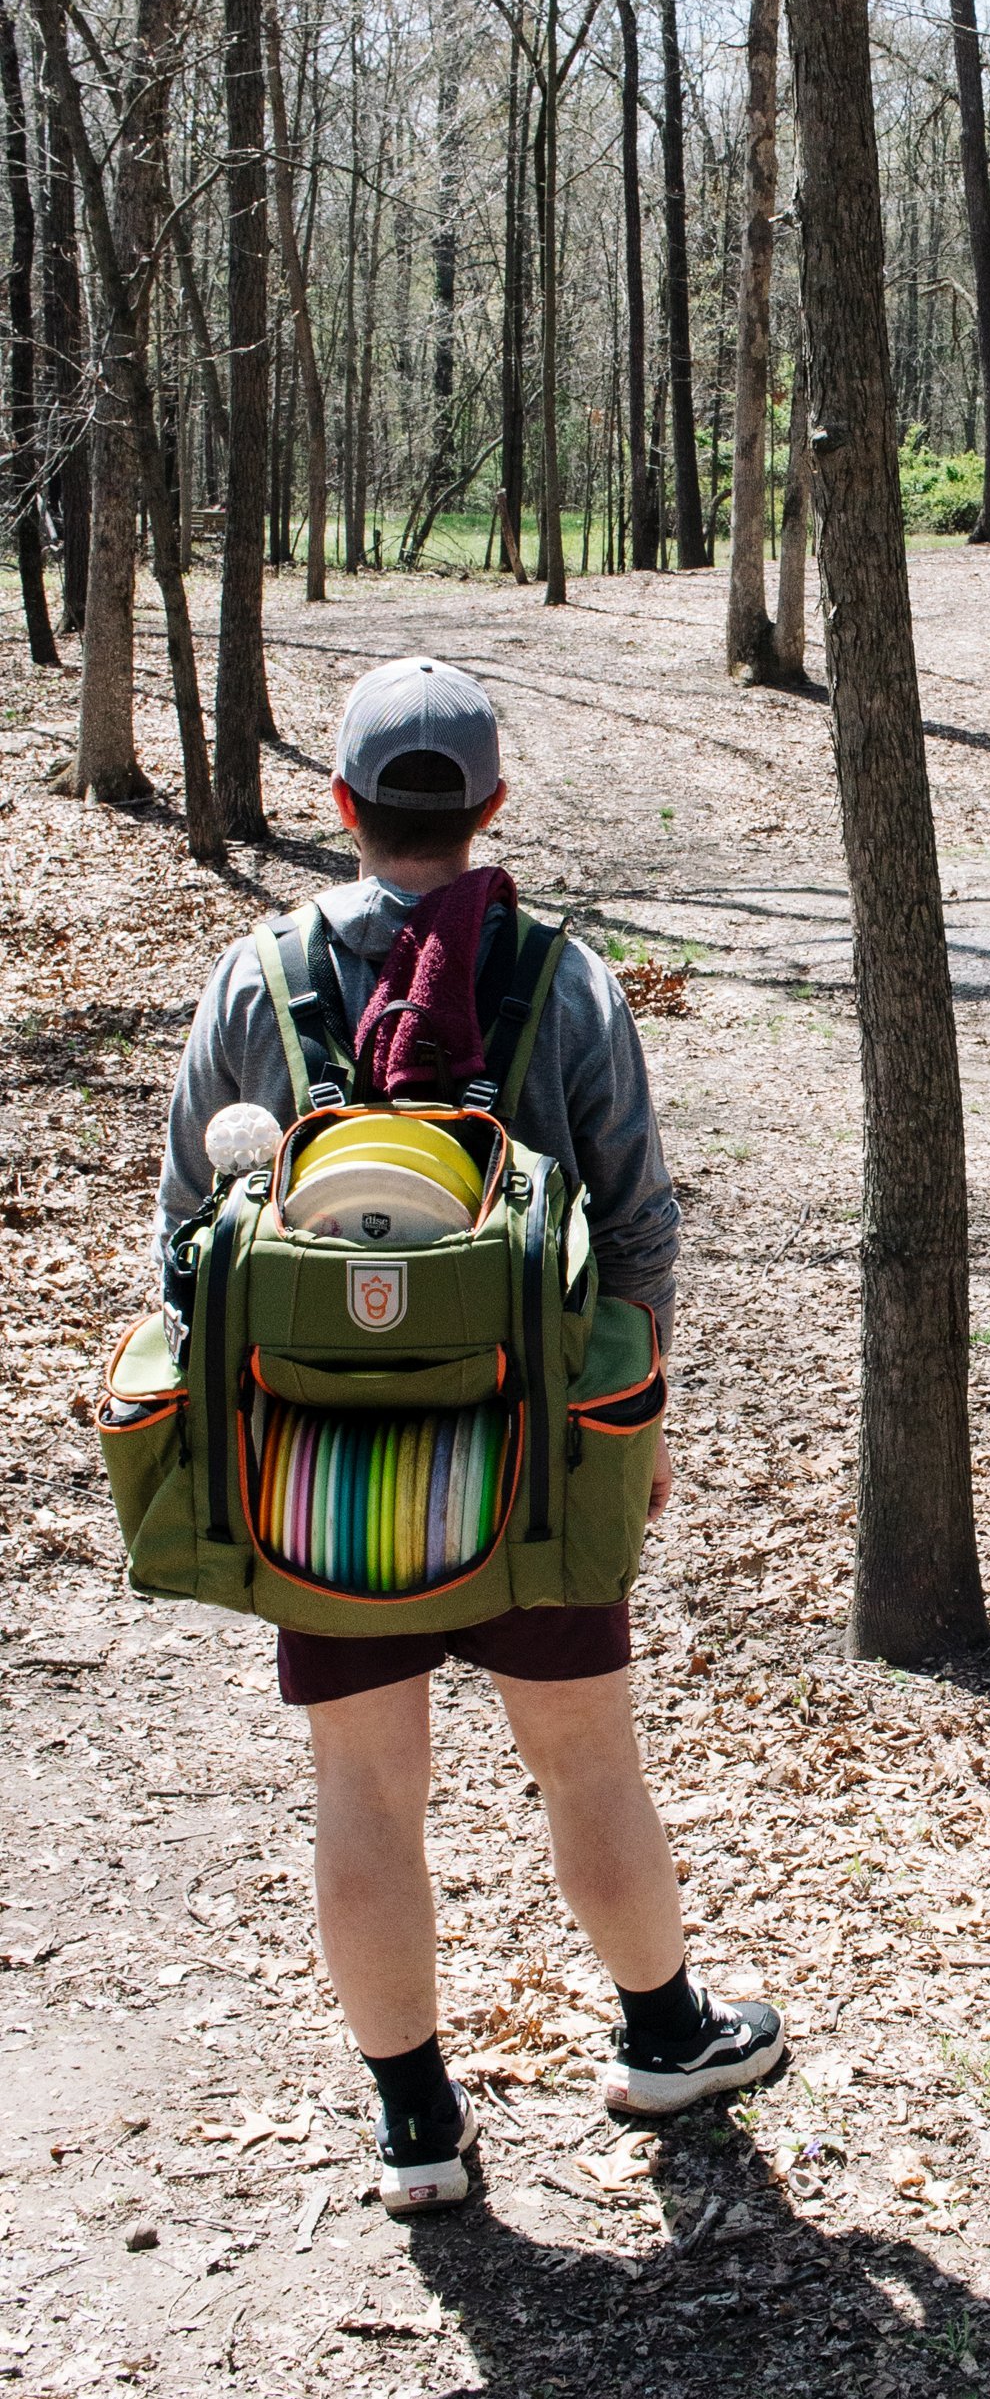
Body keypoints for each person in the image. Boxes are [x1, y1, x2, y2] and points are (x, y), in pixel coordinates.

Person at [155, 656, 783, 2213]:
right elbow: (634, 1232)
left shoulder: (255, 980)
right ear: (491, 805)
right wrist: (617, 1429)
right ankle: (662, 2038)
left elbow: (184, 1244)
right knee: (586, 1763)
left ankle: (417, 2125)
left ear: (342, 807)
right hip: (533, 1457)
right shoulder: (562, 979)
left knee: (363, 1789)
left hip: (311, 1471)